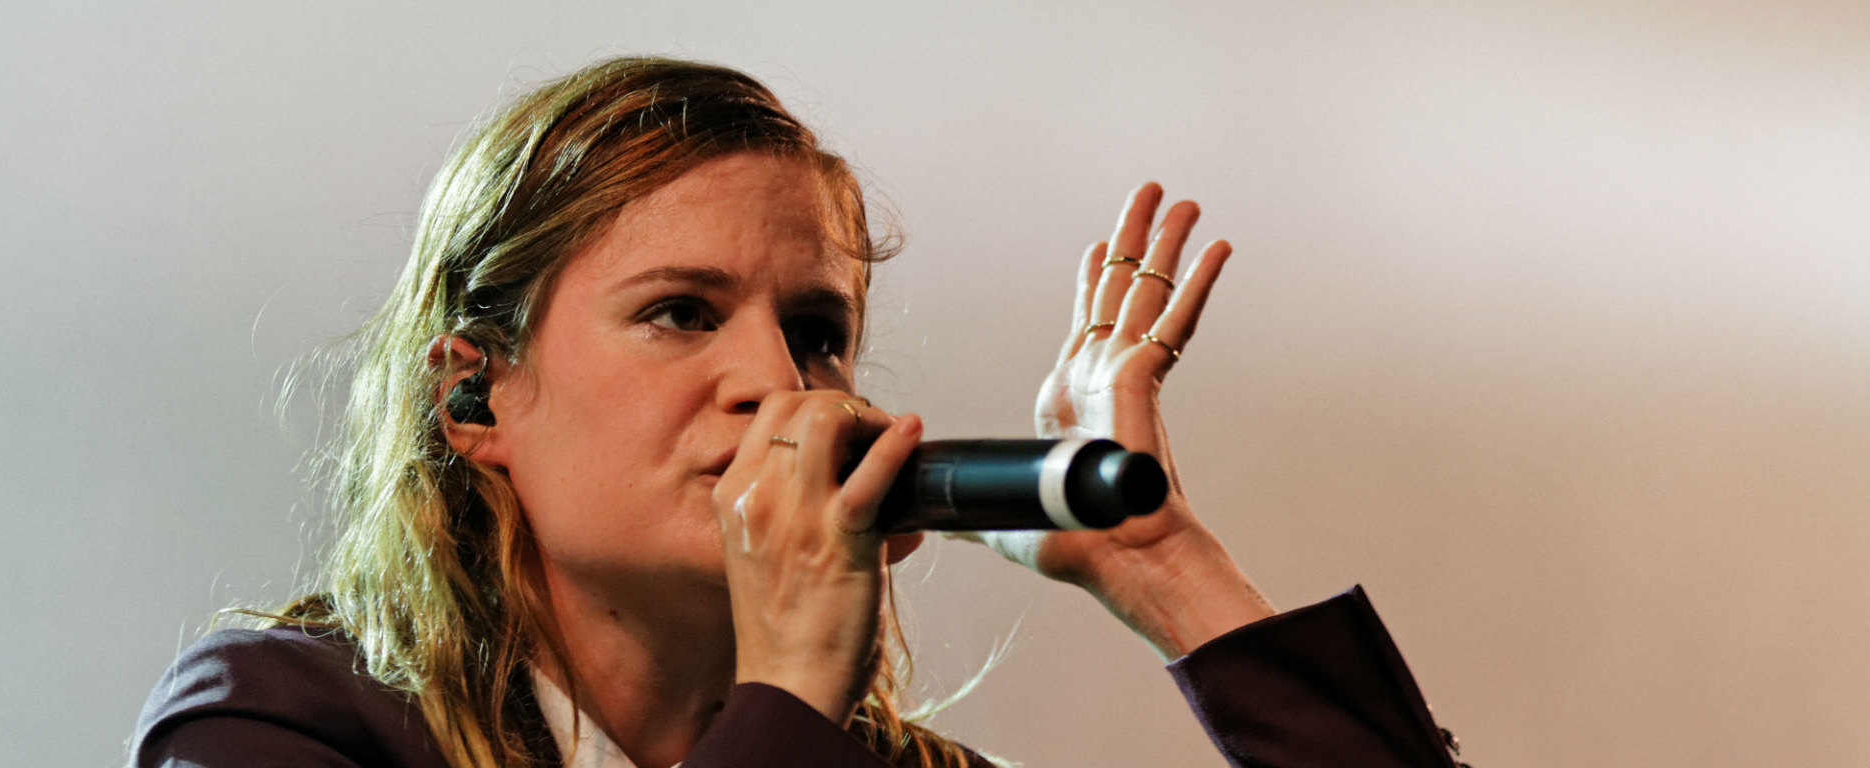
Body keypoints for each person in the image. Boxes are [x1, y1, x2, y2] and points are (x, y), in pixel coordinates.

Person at [131, 56, 1465, 768]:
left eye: (816, 332)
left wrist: (1165, 567)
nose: (776, 381)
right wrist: (783, 694)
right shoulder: (279, 724)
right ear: (475, 391)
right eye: (680, 312)